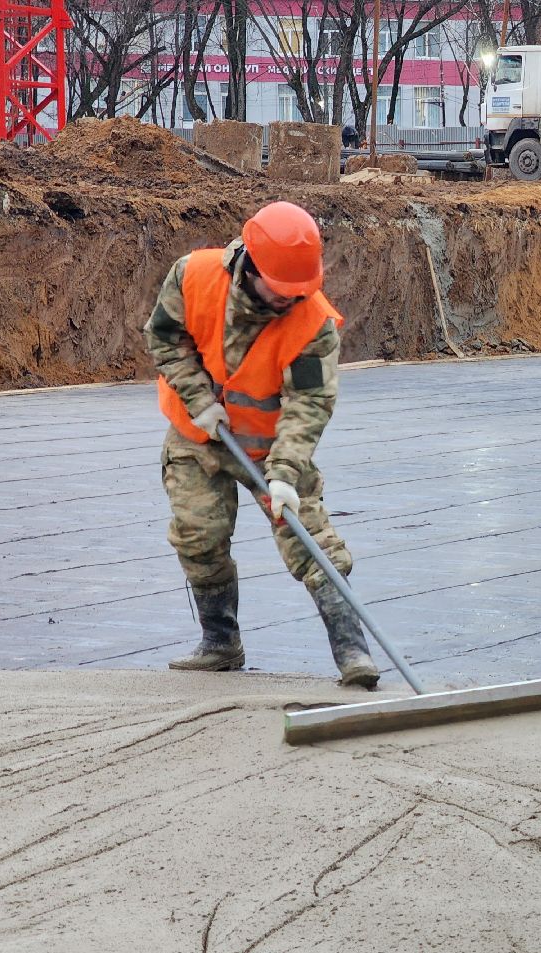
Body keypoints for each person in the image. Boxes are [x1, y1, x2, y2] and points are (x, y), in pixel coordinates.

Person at [145, 201, 381, 689]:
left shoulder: (313, 324)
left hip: (270, 449)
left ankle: (353, 652)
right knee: (197, 535)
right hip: (200, 437)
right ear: (249, 265)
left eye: (299, 293)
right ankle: (220, 644)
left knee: (310, 541)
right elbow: (165, 339)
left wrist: (285, 474)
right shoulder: (193, 275)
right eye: (280, 292)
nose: (289, 301)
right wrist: (198, 399)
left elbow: (310, 402)